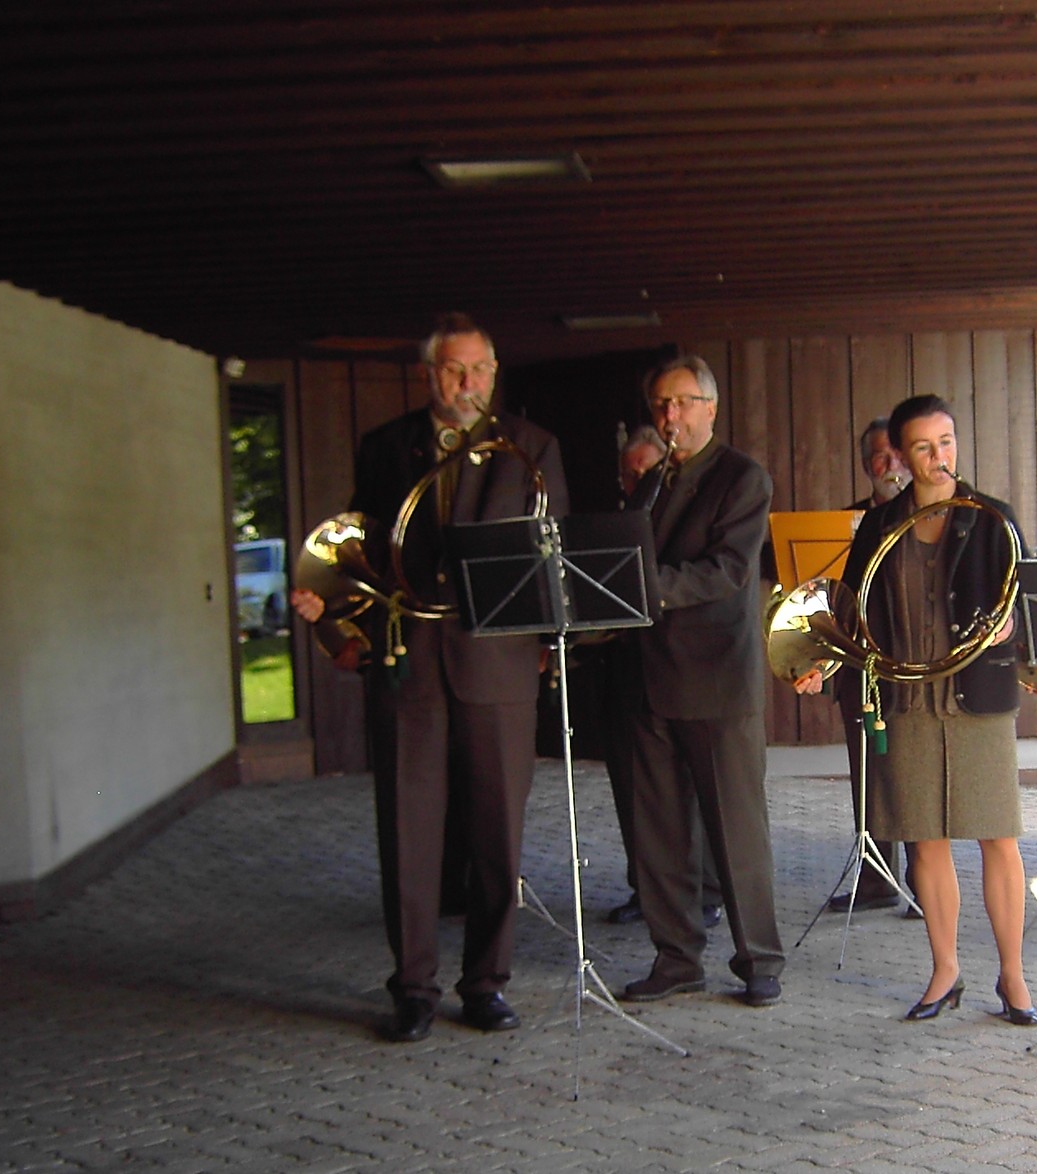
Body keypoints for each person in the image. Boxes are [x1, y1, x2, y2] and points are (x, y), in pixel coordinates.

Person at [291, 312, 570, 1043]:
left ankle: (486, 983)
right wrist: (330, 608)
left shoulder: (534, 448)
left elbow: (553, 562)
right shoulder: (387, 446)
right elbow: (364, 555)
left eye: (480, 369)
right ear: (429, 375)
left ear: (495, 373)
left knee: (496, 837)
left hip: (498, 668)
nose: (468, 383)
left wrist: (546, 644)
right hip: (408, 663)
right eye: (454, 370)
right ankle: (412, 987)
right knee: (408, 833)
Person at [804, 393, 1037, 1026]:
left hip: (977, 699)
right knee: (925, 843)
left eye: (948, 442)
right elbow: (851, 613)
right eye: (924, 447)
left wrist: (1017, 633)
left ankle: (1013, 976)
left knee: (998, 838)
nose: (940, 458)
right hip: (905, 699)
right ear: (901, 458)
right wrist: (818, 661)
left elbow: (1029, 601)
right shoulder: (881, 527)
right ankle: (945, 971)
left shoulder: (993, 518)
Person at [617, 354, 785, 1009]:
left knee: (736, 830)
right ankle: (677, 957)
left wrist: (639, 590)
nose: (669, 416)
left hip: (716, 679)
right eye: (660, 404)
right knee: (658, 832)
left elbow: (727, 571)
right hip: (648, 677)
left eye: (682, 403)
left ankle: (760, 961)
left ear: (711, 409)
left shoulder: (743, 477)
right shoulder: (650, 479)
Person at [603, 425, 722, 929]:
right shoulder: (616, 521)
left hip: (688, 668)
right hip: (629, 670)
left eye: (646, 471)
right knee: (637, 790)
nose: (638, 480)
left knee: (698, 787)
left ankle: (709, 890)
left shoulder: (687, 515)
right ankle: (648, 888)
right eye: (630, 473)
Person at [827, 417, 916, 915]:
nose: (890, 466)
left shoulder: (924, 515)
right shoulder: (844, 525)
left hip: (909, 667)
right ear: (866, 467)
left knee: (912, 776)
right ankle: (878, 877)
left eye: (896, 455)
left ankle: (926, 887)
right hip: (859, 667)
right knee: (867, 774)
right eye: (879, 459)